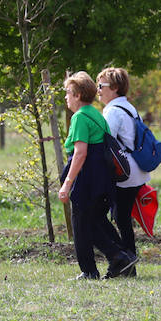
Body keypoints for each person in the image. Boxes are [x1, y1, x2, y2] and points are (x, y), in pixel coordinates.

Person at [57, 71, 133, 280]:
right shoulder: (96, 113)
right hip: (103, 177)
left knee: (81, 223)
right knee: (96, 220)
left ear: (78, 95)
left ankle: (92, 269)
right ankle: (123, 257)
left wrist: (67, 184)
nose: (66, 98)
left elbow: (80, 153)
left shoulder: (80, 117)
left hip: (88, 178)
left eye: (68, 93)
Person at [97, 67, 147, 277]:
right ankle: (128, 261)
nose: (98, 90)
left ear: (115, 88)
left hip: (123, 173)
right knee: (122, 217)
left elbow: (103, 140)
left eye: (101, 86)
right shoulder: (129, 107)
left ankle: (124, 259)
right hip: (136, 171)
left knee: (110, 216)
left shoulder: (112, 111)